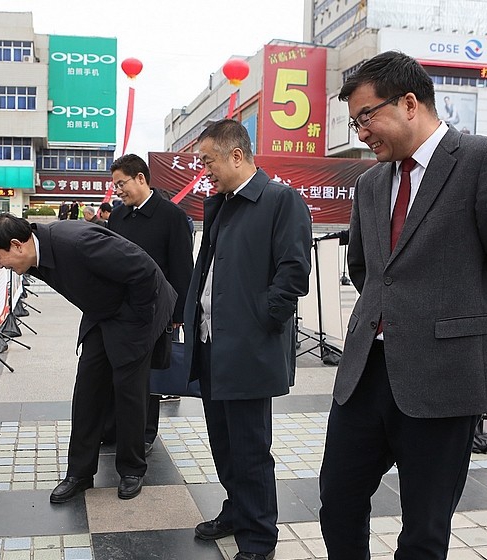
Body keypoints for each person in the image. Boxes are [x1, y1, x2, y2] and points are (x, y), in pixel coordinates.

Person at [318, 51, 487, 560]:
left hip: (445, 377)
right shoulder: (371, 182)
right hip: (365, 374)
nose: (361, 132)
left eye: (366, 116)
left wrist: (467, 329)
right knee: (337, 502)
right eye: (355, 122)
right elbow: (367, 270)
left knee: (424, 528)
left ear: (409, 103)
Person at [184, 119, 313, 560]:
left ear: (236, 155)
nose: (205, 171)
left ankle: (258, 539)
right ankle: (237, 510)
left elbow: (293, 272)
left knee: (251, 449)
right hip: (212, 344)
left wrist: (262, 319)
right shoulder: (222, 203)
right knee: (223, 443)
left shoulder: (280, 200)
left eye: (209, 161)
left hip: (248, 348)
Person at [0, 214, 176, 503]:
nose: (0, 266)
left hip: (135, 313)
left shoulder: (77, 243)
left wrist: (136, 322)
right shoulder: (35, 256)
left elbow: (143, 270)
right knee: (87, 390)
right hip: (102, 312)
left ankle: (132, 469)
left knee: (130, 392)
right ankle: (80, 473)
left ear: (17, 245)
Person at [107, 154, 194, 454]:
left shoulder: (171, 216)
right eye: (115, 186)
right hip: (119, 310)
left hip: (157, 310)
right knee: (118, 370)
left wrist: (179, 312)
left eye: (122, 184)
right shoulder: (118, 216)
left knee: (150, 375)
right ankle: (115, 427)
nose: (118, 191)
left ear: (141, 178)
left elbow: (182, 266)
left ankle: (145, 432)